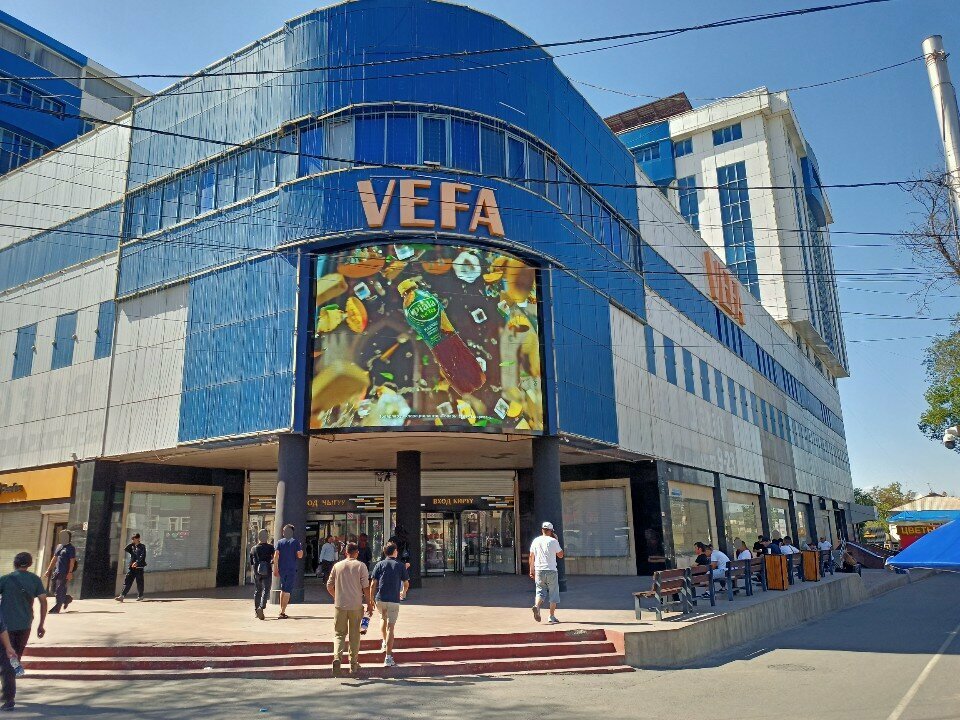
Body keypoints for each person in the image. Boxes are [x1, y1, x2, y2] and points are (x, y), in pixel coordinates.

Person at [0, 552, 48, 712]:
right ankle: (7, 691)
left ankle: (9, 698)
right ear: (29, 564)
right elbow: (43, 602)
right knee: (14, 659)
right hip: (25, 626)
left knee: (7, 661)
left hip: (5, 628)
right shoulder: (35, 580)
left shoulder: (6, 579)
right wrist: (41, 624)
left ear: (15, 563)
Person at [327, 542, 373, 676]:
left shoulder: (337, 566)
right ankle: (353, 664)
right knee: (355, 635)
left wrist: (337, 597)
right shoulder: (361, 566)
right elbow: (366, 587)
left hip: (340, 605)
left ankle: (337, 657)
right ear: (357, 553)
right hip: (356, 606)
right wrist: (369, 603)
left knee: (339, 634)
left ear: (345, 552)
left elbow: (329, 586)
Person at [370, 541, 409, 668]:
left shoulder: (379, 564)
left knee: (383, 618)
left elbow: (373, 583)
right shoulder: (400, 565)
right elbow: (406, 583)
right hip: (393, 599)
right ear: (395, 551)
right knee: (391, 627)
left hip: (380, 598)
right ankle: (388, 657)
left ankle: (384, 641)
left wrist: (371, 598)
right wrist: (403, 592)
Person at [529, 521, 564, 624]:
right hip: (551, 570)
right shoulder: (553, 541)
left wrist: (531, 570)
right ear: (551, 531)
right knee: (553, 594)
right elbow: (560, 555)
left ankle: (537, 606)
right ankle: (551, 616)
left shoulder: (536, 540)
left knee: (540, 591)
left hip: (539, 570)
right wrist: (557, 540)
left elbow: (531, 556)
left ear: (542, 530)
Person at [273, 524, 303, 620]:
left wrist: (275, 568)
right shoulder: (296, 542)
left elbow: (276, 556)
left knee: (283, 589)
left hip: (282, 569)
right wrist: (300, 549)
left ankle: (281, 610)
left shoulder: (279, 542)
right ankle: (282, 612)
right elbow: (300, 556)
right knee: (287, 591)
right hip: (291, 569)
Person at [43, 530, 76, 614]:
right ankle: (67, 599)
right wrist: (48, 570)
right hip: (57, 571)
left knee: (59, 590)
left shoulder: (71, 548)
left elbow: (72, 561)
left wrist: (70, 572)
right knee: (53, 590)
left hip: (64, 572)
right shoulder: (59, 546)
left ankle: (57, 608)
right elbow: (54, 559)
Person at [249, 529, 275, 621]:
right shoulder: (270, 547)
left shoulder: (253, 548)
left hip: (257, 572)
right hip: (267, 570)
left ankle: (256, 611)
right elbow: (274, 558)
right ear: (267, 537)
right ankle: (261, 606)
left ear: (259, 537)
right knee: (266, 589)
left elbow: (251, 562)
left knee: (257, 590)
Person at [115, 533, 147, 602]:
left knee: (139, 582)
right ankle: (122, 596)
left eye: (134, 539)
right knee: (128, 580)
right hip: (132, 567)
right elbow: (126, 549)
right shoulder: (133, 547)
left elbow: (143, 556)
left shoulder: (142, 547)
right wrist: (132, 544)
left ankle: (140, 595)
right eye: (132, 539)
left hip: (139, 567)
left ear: (138, 539)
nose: (133, 540)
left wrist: (137, 562)